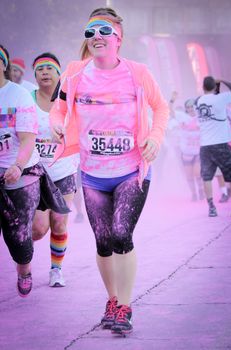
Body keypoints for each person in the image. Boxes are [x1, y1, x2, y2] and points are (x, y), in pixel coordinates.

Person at [50, 7, 169, 335]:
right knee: (103, 241)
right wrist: (57, 125)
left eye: (104, 31)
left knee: (120, 234)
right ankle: (113, 300)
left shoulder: (138, 73)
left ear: (119, 38)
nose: (96, 37)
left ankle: (126, 306)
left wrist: (156, 138)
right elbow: (58, 108)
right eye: (90, 32)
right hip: (91, 173)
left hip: (131, 170)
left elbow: (161, 107)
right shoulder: (73, 73)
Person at [31, 53, 78, 287]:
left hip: (63, 172)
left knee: (59, 223)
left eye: (50, 68)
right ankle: (22, 259)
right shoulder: (26, 101)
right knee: (38, 229)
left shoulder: (68, 101)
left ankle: (56, 270)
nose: (45, 73)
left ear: (59, 73)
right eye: (40, 69)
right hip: (33, 175)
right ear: (35, 75)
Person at [0, 45, 40, 297]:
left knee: (18, 235)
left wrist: (17, 165)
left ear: (3, 64)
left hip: (19, 173)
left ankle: (24, 269)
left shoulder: (18, 95)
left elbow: (27, 139)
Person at [195, 76, 231, 217]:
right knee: (230, 175)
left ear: (203, 87)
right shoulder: (220, 99)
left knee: (207, 177)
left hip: (205, 146)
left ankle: (211, 207)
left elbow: (207, 99)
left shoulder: (197, 101)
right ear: (215, 87)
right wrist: (223, 80)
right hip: (221, 143)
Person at [170, 96, 204, 201]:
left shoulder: (201, 117)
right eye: (188, 107)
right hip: (185, 152)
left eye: (192, 106)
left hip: (198, 151)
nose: (190, 108)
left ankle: (201, 190)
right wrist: (172, 99)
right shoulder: (182, 116)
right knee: (189, 176)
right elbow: (169, 110)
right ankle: (194, 194)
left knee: (197, 173)